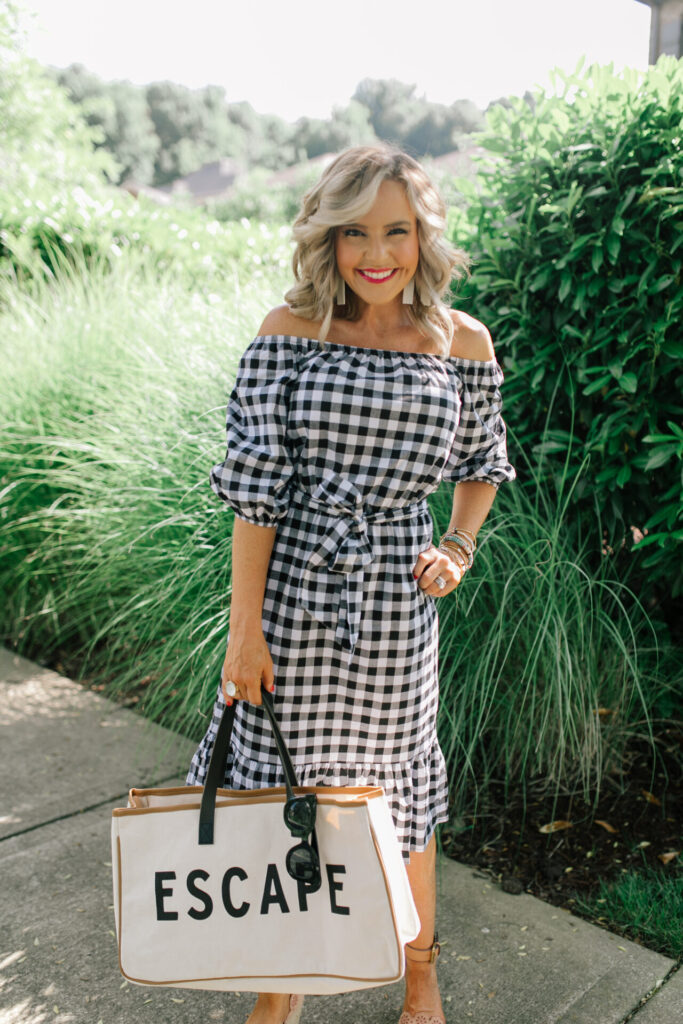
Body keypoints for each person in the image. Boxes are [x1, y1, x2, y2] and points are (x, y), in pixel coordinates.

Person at [186, 144, 515, 1024]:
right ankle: (281, 989)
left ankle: (418, 976)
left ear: (423, 236)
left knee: (397, 804)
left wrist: (458, 544)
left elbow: (483, 463)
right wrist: (242, 630)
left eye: (397, 230)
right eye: (356, 231)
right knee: (282, 797)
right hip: (293, 598)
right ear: (327, 237)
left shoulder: (462, 341)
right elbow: (254, 496)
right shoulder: (287, 332)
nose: (378, 252)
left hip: (396, 615)